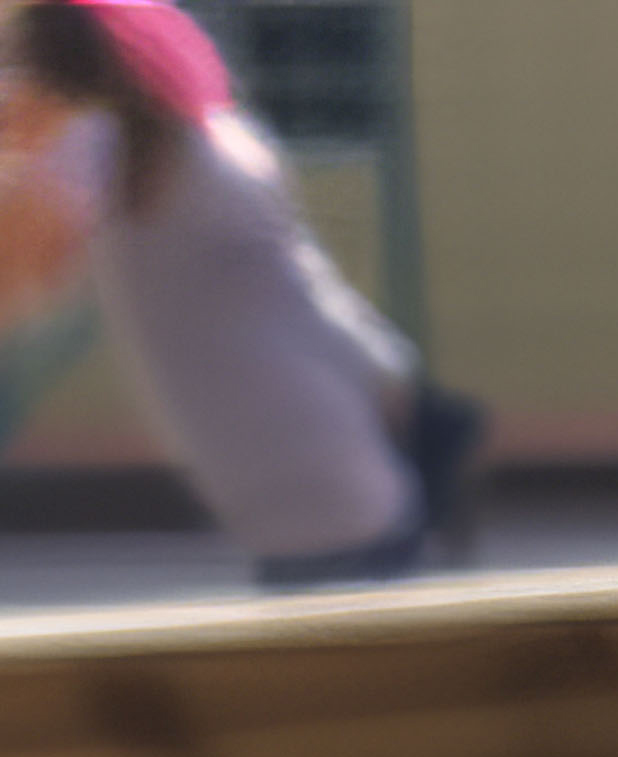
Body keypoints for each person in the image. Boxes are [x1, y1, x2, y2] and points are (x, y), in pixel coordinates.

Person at [0, 0, 472, 588]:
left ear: (52, 81)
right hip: (338, 474)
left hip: (310, 493)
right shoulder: (203, 145)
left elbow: (20, 272)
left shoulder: (104, 148)